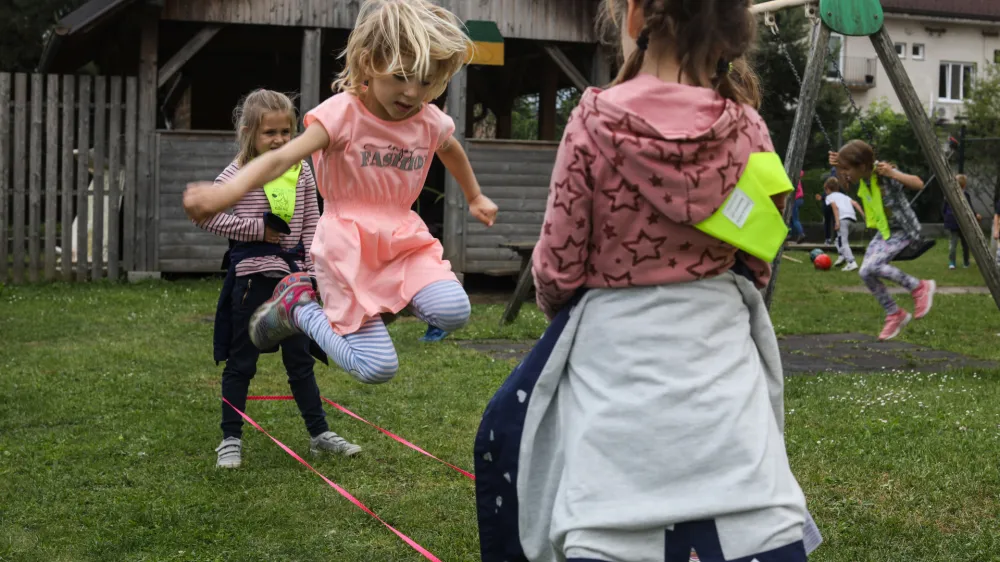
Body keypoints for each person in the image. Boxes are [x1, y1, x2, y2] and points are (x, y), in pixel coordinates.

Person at [473, 1, 824, 561]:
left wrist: (560, 304)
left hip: (614, 365)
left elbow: (558, 264)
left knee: (563, 461)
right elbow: (760, 249)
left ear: (634, 15)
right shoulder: (748, 128)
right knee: (745, 472)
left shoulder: (593, 121)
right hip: (722, 364)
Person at [182, 0, 498, 387]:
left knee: (453, 311)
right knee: (377, 369)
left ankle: (380, 304)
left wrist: (475, 196)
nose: (412, 92)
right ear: (369, 63)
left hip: (403, 238)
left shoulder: (428, 120)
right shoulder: (342, 115)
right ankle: (300, 310)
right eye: (401, 76)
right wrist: (226, 193)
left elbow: (450, 148)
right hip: (347, 244)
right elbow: (281, 158)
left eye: (426, 82)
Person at [196, 89, 360, 469]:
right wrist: (257, 229)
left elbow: (312, 224)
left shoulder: (301, 171)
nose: (279, 140)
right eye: (270, 132)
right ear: (249, 132)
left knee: (300, 361)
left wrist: (312, 274)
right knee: (242, 363)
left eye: (286, 132)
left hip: (295, 283)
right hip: (252, 280)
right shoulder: (238, 173)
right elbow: (205, 214)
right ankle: (230, 440)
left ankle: (319, 435)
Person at [829, 141, 936, 341]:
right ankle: (894, 313)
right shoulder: (863, 178)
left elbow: (918, 183)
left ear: (862, 166)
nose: (845, 174)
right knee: (864, 271)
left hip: (904, 230)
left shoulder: (883, 174)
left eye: (847, 169)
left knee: (874, 266)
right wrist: (838, 166)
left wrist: (893, 173)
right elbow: (844, 185)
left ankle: (919, 287)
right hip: (885, 232)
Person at [823, 176, 864, 271]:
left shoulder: (829, 197)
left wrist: (837, 222)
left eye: (825, 190)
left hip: (843, 220)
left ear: (828, 189)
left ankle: (851, 262)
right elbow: (855, 203)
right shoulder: (844, 196)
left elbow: (835, 207)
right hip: (852, 220)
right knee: (838, 240)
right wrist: (863, 215)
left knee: (843, 242)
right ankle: (842, 256)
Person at [942, 174, 981, 269]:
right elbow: (969, 208)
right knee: (965, 243)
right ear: (964, 185)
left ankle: (952, 262)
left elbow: (944, 208)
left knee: (953, 243)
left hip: (952, 221)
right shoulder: (965, 195)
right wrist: (976, 215)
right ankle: (966, 262)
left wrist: (946, 217)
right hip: (963, 222)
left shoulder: (948, 195)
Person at [790, 170, 806, 243]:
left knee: (795, 219)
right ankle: (790, 234)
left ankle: (801, 233)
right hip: (800, 199)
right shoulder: (797, 179)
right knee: (791, 218)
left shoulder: (793, 179)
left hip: (795, 199)